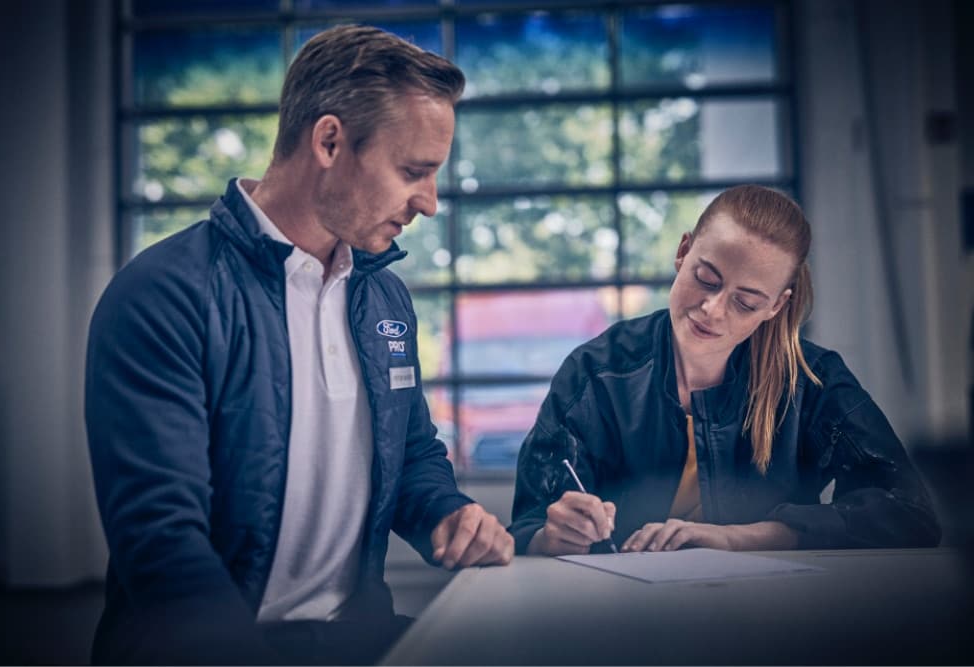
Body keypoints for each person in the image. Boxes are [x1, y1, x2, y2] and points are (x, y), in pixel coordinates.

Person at [85, 25, 513, 665]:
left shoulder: (383, 299)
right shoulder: (162, 296)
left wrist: (447, 514)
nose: (428, 202)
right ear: (330, 141)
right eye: (413, 172)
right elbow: (162, 543)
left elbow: (412, 455)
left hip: (356, 638)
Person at [510, 185, 940, 556]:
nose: (712, 310)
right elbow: (528, 524)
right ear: (683, 252)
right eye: (706, 278)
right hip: (620, 616)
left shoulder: (813, 381)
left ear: (775, 306)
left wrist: (743, 539)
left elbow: (910, 512)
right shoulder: (594, 373)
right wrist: (552, 536)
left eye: (746, 302)